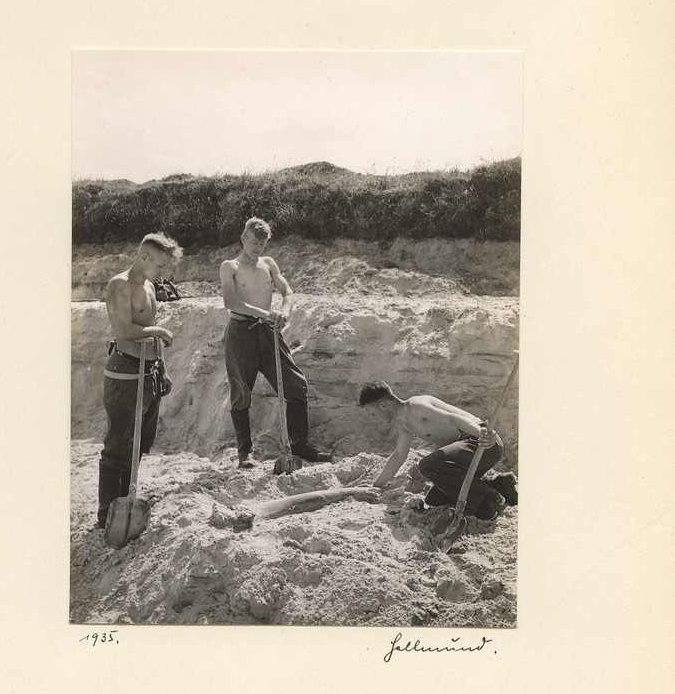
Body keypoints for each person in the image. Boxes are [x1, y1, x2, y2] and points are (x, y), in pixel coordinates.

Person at [220, 217, 330, 468]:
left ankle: (299, 446)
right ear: (243, 239)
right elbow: (231, 302)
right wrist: (265, 314)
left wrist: (285, 312)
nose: (257, 247)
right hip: (240, 333)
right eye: (253, 242)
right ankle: (244, 453)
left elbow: (288, 293)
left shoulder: (269, 264)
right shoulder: (230, 267)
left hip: (269, 332)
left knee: (296, 384)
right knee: (241, 392)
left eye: (262, 243)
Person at [96, 232, 182, 528]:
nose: (163, 273)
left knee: (139, 442)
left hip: (149, 371)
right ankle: (106, 512)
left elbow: (148, 325)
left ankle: (124, 501)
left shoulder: (148, 285)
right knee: (119, 444)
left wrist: (163, 369)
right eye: (160, 266)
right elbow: (124, 331)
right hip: (125, 372)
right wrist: (158, 332)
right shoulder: (120, 285)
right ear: (144, 257)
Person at [358, 381, 518, 519]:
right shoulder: (403, 423)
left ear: (383, 405)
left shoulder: (416, 406)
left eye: (373, 413)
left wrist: (483, 434)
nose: (374, 418)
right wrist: (376, 486)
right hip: (469, 453)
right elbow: (399, 455)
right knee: (435, 498)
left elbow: (453, 419)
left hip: (483, 442)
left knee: (428, 465)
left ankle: (490, 497)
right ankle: (500, 485)